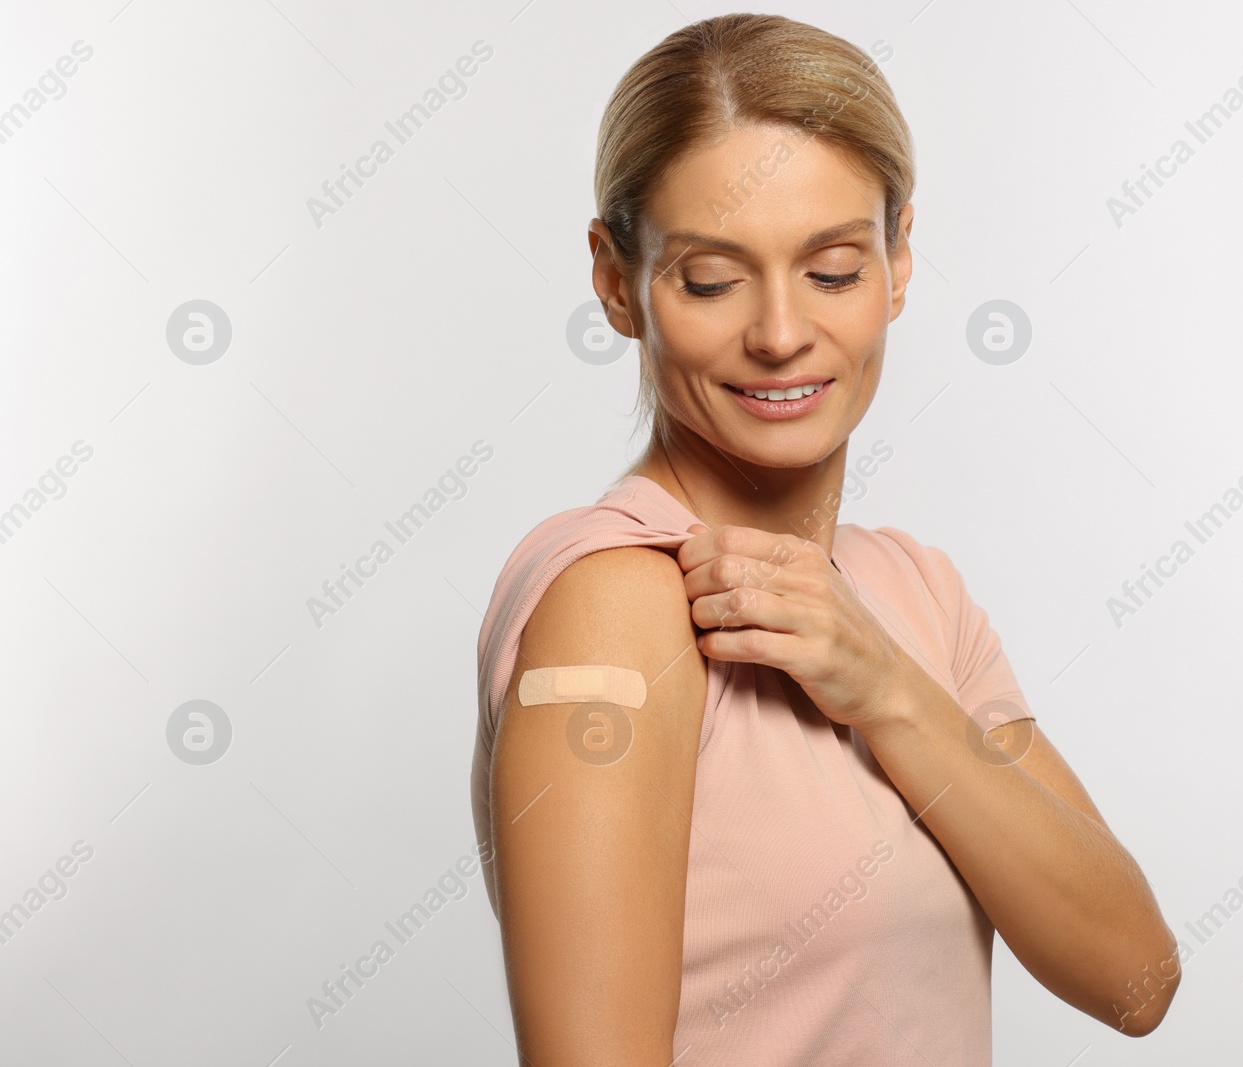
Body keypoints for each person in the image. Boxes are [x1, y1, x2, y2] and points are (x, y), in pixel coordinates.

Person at [470, 14, 1180, 1064]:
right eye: (710, 278)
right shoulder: (616, 600)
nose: (779, 330)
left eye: (834, 269)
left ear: (899, 262)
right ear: (617, 281)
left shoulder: (913, 598)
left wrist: (886, 685)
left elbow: (1135, 977)